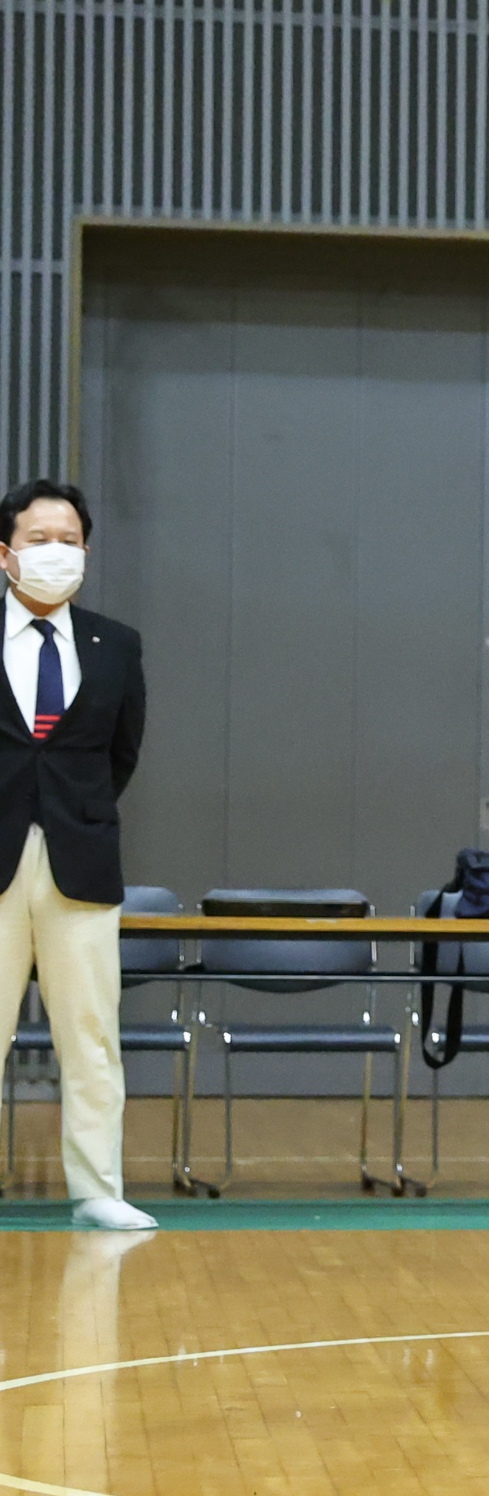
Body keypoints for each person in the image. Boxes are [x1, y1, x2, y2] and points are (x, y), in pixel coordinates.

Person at [0, 479, 151, 1232]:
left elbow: (121, 754)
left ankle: (97, 1189)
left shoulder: (116, 643)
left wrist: (70, 813)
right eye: (39, 540)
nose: (55, 552)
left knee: (90, 1036)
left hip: (80, 861)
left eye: (69, 541)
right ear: (5, 554)